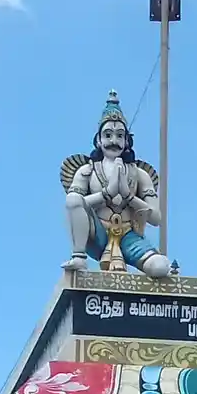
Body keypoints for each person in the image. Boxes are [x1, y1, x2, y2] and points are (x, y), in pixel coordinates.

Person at [63, 92, 174, 278]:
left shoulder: (139, 174)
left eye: (119, 135)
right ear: (98, 140)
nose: (113, 141)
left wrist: (129, 197)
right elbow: (75, 204)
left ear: (127, 141)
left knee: (160, 267)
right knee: (74, 199)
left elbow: (156, 218)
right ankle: (79, 257)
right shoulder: (87, 171)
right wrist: (106, 193)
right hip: (98, 235)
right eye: (108, 135)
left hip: (128, 236)